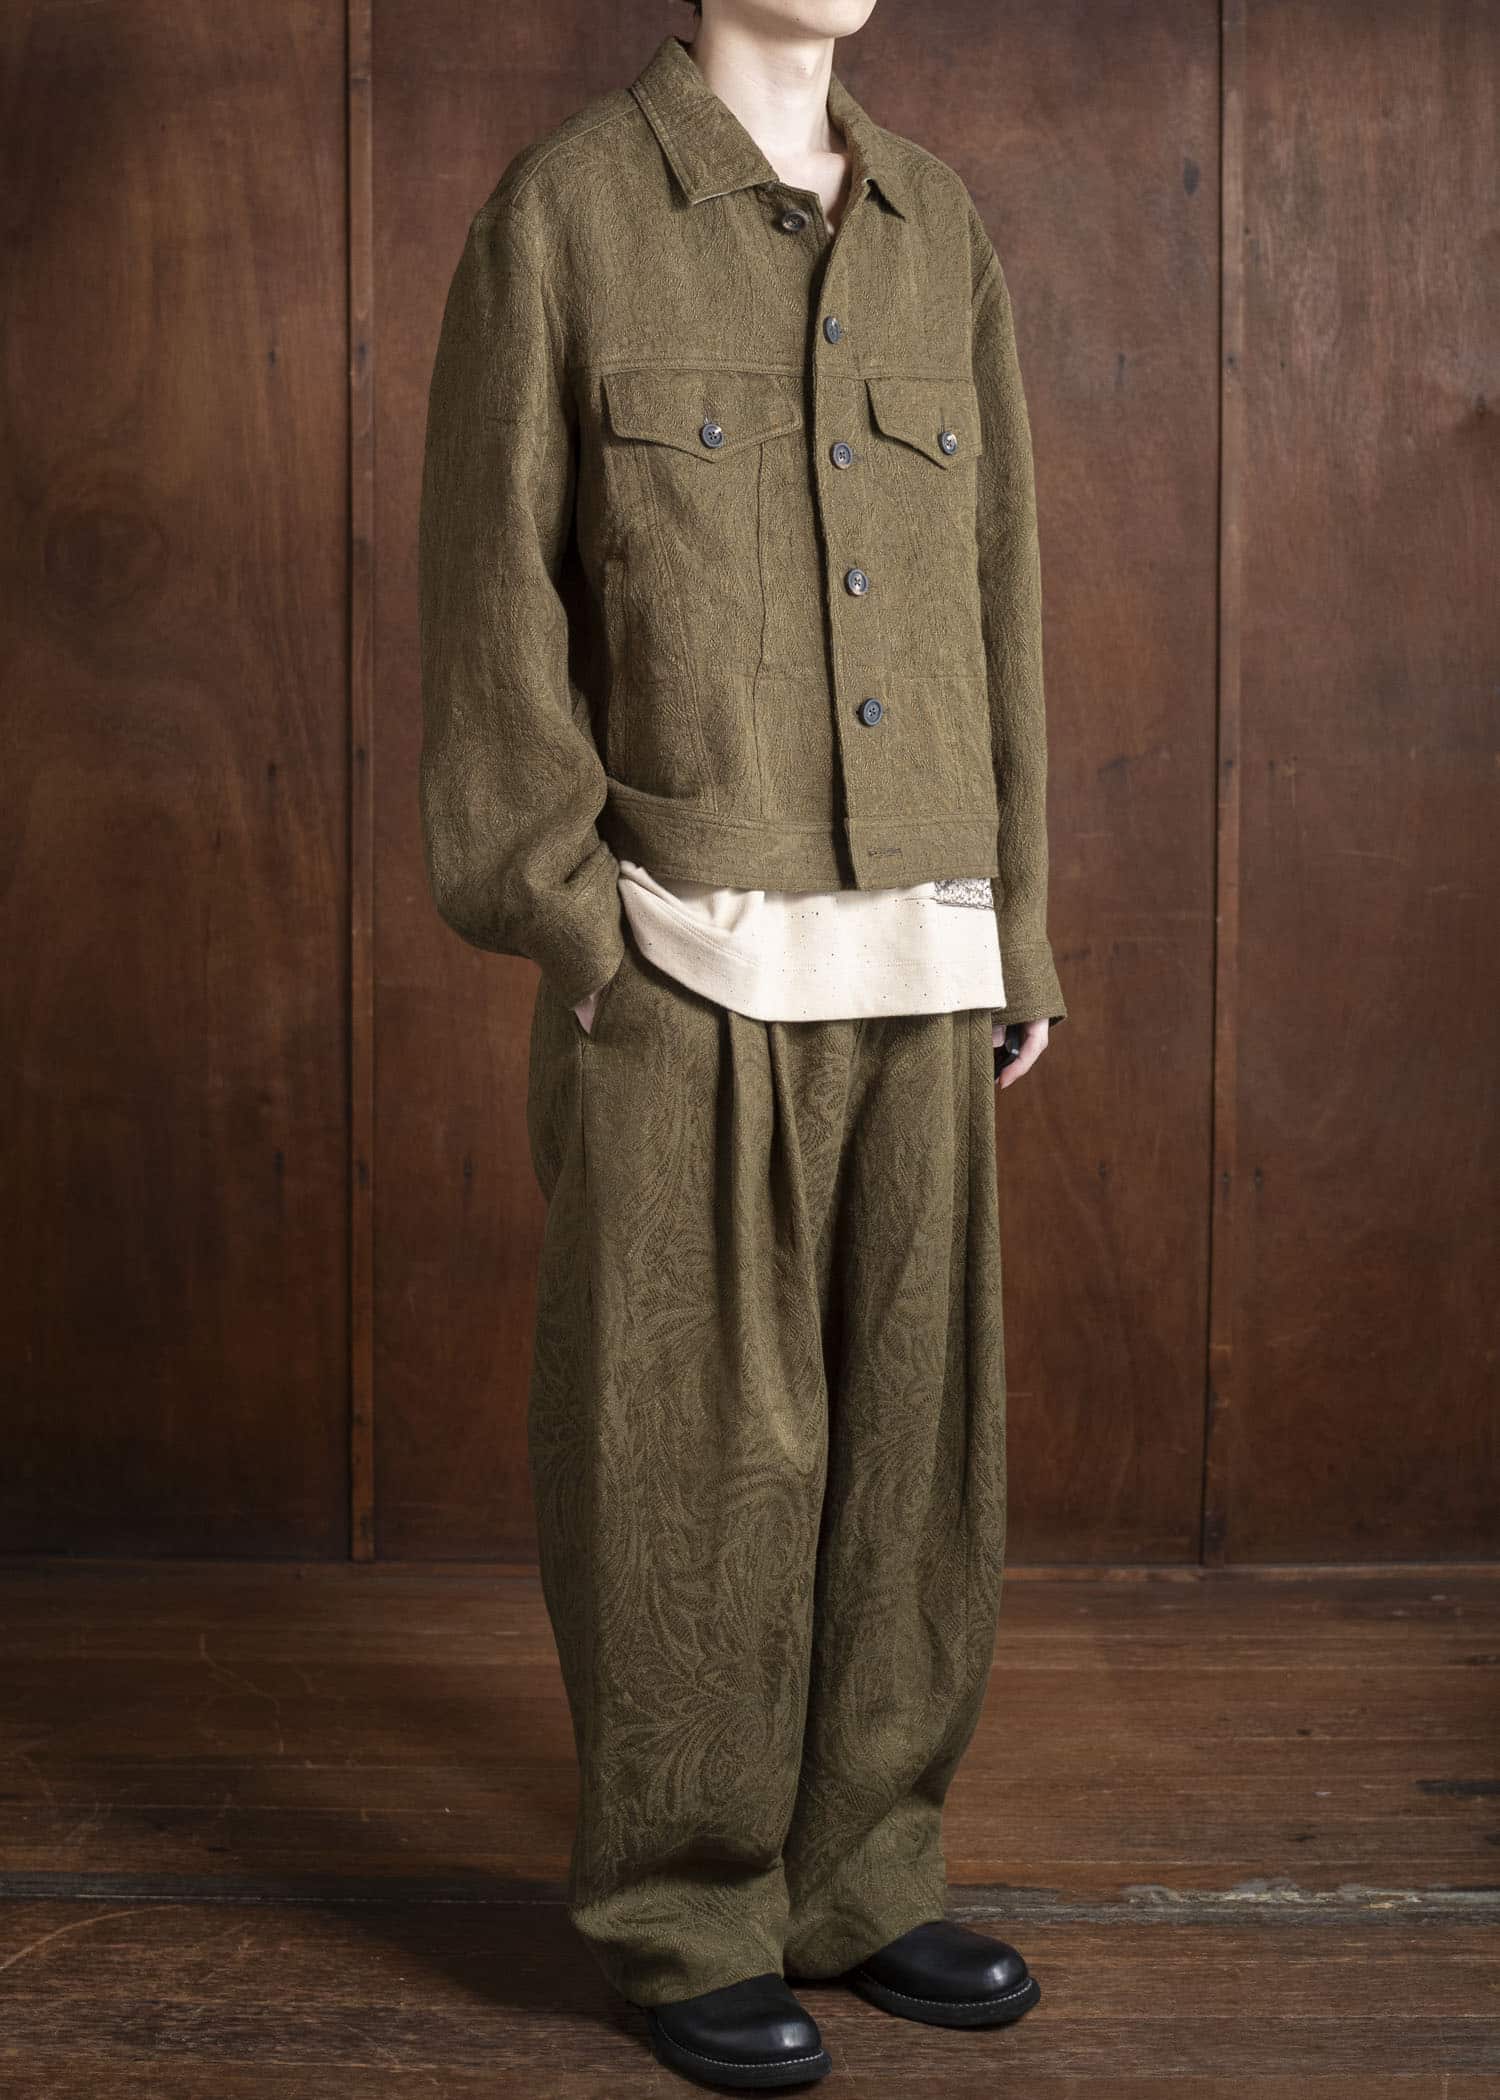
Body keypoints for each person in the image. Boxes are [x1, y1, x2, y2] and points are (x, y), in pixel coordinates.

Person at [417, 1, 1067, 2087]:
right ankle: (686, 1907)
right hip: (689, 953)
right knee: (688, 1460)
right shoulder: (567, 219)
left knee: (914, 1458)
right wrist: (573, 922)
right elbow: (493, 602)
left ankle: (866, 1875)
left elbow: (1000, 594)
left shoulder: (939, 227)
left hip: (924, 948)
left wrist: (1017, 928)